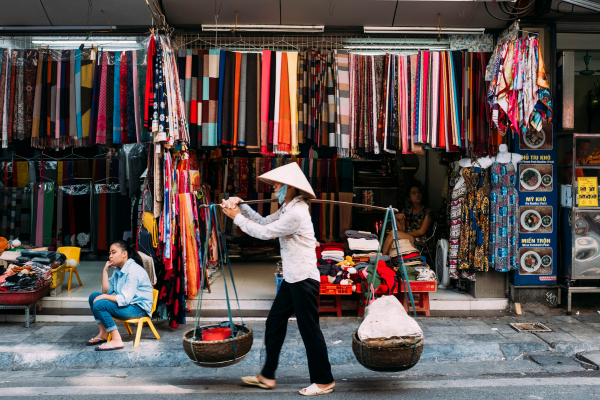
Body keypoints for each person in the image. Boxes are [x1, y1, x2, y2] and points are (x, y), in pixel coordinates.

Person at [220, 162, 335, 396]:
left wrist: (237, 217)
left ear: (290, 187)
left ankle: (324, 381)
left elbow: (264, 233)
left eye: (277, 185)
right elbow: (263, 221)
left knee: (309, 330)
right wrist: (241, 206)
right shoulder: (287, 208)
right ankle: (267, 375)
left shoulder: (296, 212)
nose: (274, 189)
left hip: (303, 279)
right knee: (274, 323)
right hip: (292, 278)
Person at [87, 240, 154, 351]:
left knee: (100, 303)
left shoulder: (133, 270)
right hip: (129, 305)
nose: (110, 256)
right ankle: (103, 333)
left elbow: (124, 299)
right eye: (110, 253)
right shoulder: (118, 270)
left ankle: (117, 340)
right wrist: (105, 271)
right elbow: (106, 291)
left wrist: (103, 297)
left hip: (138, 308)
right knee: (93, 297)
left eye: (114, 252)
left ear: (124, 253)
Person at [383, 185, 432, 255]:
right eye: (414, 193)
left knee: (392, 233)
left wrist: (404, 234)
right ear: (409, 198)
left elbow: (421, 232)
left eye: (419, 192)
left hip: (420, 240)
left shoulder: (427, 212)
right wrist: (395, 217)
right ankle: (390, 262)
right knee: (393, 241)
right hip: (407, 238)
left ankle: (381, 258)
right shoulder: (406, 211)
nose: (417, 195)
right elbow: (402, 229)